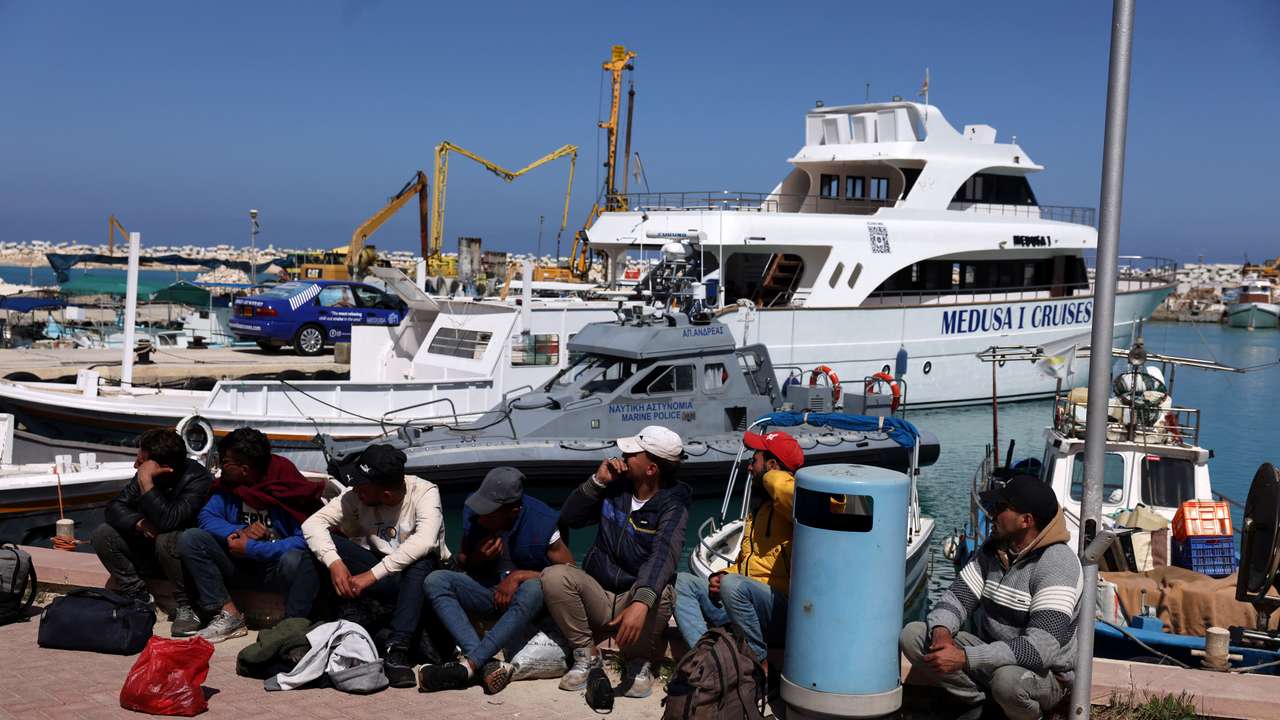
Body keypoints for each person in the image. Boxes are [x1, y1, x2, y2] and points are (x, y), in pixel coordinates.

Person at [900, 475, 1081, 720]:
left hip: (1046, 676)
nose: (991, 513)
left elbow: (1040, 650)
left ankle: (1029, 714)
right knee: (914, 636)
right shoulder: (994, 550)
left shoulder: (1057, 564)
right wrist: (942, 633)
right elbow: (956, 598)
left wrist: (964, 658)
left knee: (1007, 682)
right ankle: (987, 705)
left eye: (1000, 509)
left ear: (1026, 520)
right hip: (992, 658)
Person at [543, 425, 691, 699]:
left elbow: (663, 557)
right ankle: (587, 654)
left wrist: (639, 602)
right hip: (598, 591)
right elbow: (570, 518)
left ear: (651, 469)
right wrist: (597, 481)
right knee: (554, 576)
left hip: (631, 598)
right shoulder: (615, 488)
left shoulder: (673, 506)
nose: (622, 455)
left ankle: (639, 661)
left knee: (663, 589)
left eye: (633, 453)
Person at [300, 444, 449, 688]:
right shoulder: (357, 494)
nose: (354, 489)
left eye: (361, 486)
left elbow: (424, 541)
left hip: (417, 579)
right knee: (317, 549)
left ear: (387, 495)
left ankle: (397, 650)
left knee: (422, 560)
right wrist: (334, 562)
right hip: (380, 568)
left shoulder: (424, 492)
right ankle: (295, 628)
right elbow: (312, 525)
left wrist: (371, 575)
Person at [418, 466, 574, 695]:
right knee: (436, 580)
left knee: (532, 588)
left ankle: (469, 666)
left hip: (528, 602)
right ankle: (484, 664)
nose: (481, 517)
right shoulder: (474, 511)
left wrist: (519, 577)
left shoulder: (543, 522)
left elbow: (570, 572)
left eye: (489, 513)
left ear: (514, 510)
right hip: (488, 591)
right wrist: (477, 558)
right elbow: (461, 560)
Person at [176, 428, 323, 641]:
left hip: (275, 569)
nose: (221, 467)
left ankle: (293, 620)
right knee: (192, 538)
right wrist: (238, 531)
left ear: (244, 469)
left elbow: (306, 539)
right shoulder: (230, 487)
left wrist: (254, 548)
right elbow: (207, 517)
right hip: (240, 565)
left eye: (225, 462)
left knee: (297, 560)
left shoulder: (285, 484)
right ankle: (229, 615)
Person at [674, 430, 803, 672]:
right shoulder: (759, 510)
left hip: (779, 610)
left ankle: (756, 665)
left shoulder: (794, 505)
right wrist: (721, 575)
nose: (749, 467)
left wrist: (771, 475)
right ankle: (705, 663)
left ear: (773, 467)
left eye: (754, 460)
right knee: (682, 582)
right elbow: (747, 563)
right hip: (745, 607)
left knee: (734, 585)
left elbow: (794, 495)